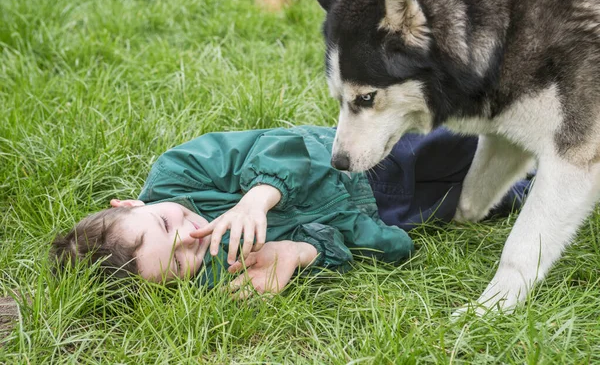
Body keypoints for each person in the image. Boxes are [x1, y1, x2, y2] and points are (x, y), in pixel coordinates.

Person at [51, 126, 529, 295]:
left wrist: (255, 199)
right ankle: (536, 186)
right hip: (377, 214)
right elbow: (334, 245)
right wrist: (297, 252)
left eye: (164, 222)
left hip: (354, 161)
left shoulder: (179, 173)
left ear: (131, 203)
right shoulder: (216, 272)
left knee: (461, 142)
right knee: (484, 198)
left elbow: (281, 147)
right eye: (178, 261)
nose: (190, 235)